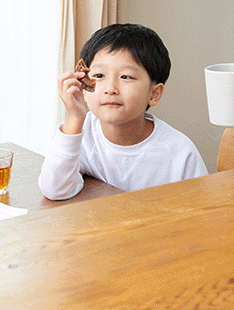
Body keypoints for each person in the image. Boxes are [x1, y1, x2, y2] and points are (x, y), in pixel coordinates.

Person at [39, 24, 207, 199]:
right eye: (99, 76)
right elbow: (55, 189)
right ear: (84, 84)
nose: (110, 88)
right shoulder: (82, 133)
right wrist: (74, 117)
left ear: (154, 94)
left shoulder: (180, 152)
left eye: (125, 77)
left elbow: (204, 211)